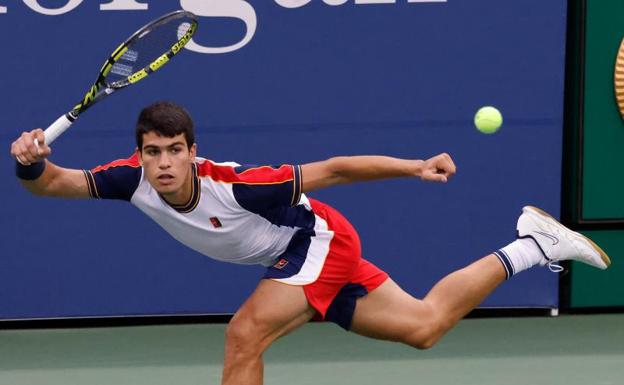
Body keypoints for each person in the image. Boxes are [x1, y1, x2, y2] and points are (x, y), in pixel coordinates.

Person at [11, 101, 610, 385]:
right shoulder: (129, 180)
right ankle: (534, 245)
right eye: (153, 151)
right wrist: (30, 163)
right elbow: (53, 184)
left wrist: (414, 166)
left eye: (175, 150)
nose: (164, 164)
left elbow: (339, 169)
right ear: (140, 153)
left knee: (245, 334)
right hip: (294, 257)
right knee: (424, 326)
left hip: (318, 239)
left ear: (193, 151)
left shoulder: (242, 187)